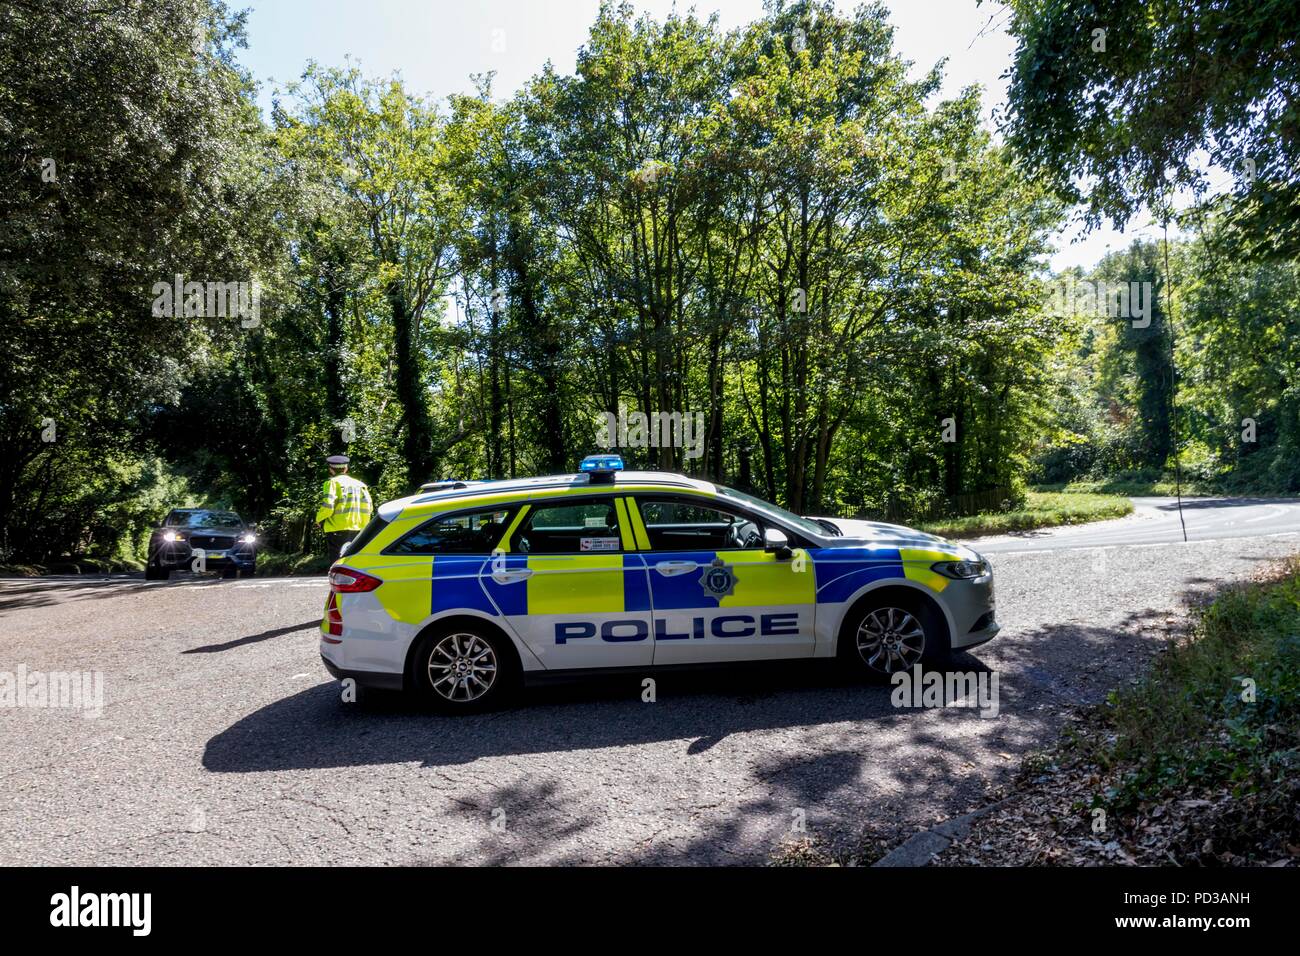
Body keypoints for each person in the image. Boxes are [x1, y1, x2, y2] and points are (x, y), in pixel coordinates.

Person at [316, 454, 373, 565]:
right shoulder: (360, 485)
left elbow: (328, 506)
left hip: (337, 528)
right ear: (346, 468)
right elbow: (369, 507)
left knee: (338, 561)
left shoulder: (332, 483)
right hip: (359, 528)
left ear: (331, 469)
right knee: (355, 561)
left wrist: (318, 519)